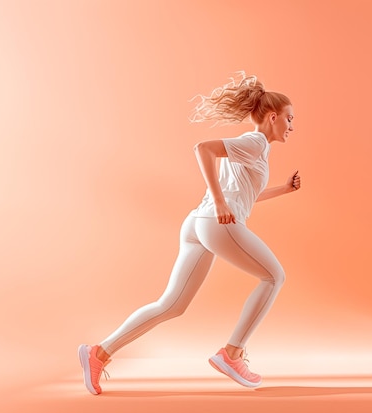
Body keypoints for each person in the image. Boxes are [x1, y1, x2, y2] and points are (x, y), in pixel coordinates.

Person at [78, 72, 300, 394]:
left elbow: (245, 195)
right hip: (217, 222)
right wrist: (222, 203)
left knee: (171, 304)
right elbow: (202, 148)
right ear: (272, 116)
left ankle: (98, 353)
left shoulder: (255, 149)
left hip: (199, 222)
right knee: (274, 277)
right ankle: (232, 354)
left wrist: (283, 189)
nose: (292, 126)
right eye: (290, 119)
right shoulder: (255, 142)